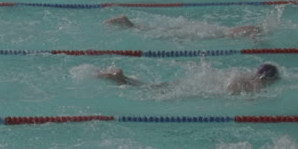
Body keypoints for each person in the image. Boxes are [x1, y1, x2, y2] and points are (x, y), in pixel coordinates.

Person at [96, 64, 280, 95]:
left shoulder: (245, 75)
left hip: (194, 83)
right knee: (153, 90)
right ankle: (121, 79)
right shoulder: (256, 84)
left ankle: (122, 77)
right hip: (199, 91)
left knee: (154, 87)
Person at [104, 15, 265, 40]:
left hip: (210, 29)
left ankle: (132, 25)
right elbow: (253, 36)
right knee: (167, 34)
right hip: (207, 33)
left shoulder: (250, 26)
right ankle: (129, 25)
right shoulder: (254, 30)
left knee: (167, 31)